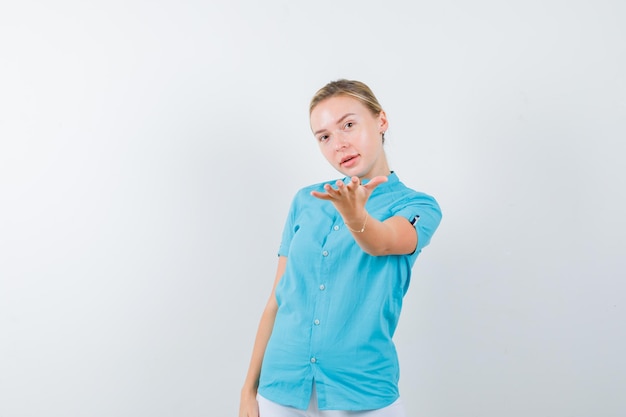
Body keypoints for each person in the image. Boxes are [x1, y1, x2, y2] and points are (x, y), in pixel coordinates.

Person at [239, 79, 442, 417]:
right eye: (324, 136)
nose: (339, 144)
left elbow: (382, 242)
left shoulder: (417, 205)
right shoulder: (305, 201)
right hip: (280, 389)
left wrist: (353, 215)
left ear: (381, 121)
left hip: (363, 392)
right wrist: (249, 392)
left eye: (349, 124)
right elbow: (277, 300)